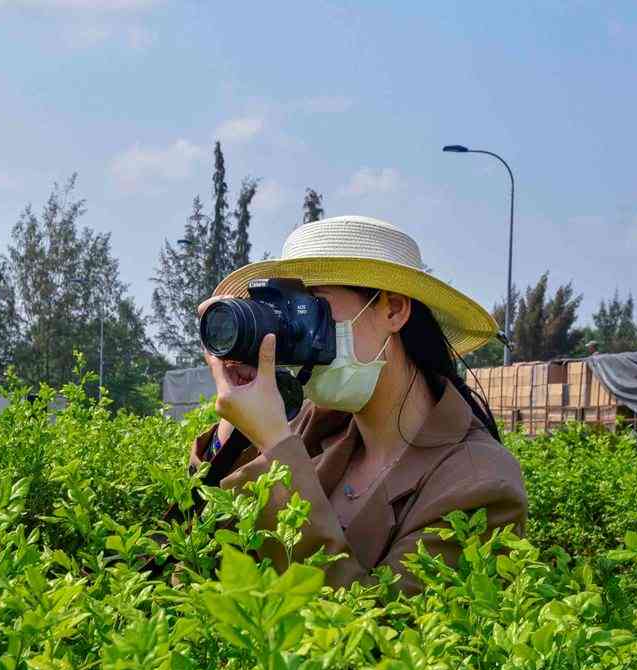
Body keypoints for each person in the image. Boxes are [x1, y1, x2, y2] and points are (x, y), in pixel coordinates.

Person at [190, 215, 527, 595]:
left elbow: (379, 639)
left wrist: (275, 450)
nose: (293, 334)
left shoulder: (480, 483)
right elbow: (201, 563)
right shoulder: (314, 431)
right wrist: (230, 436)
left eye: (313, 308)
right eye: (288, 314)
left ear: (394, 309)